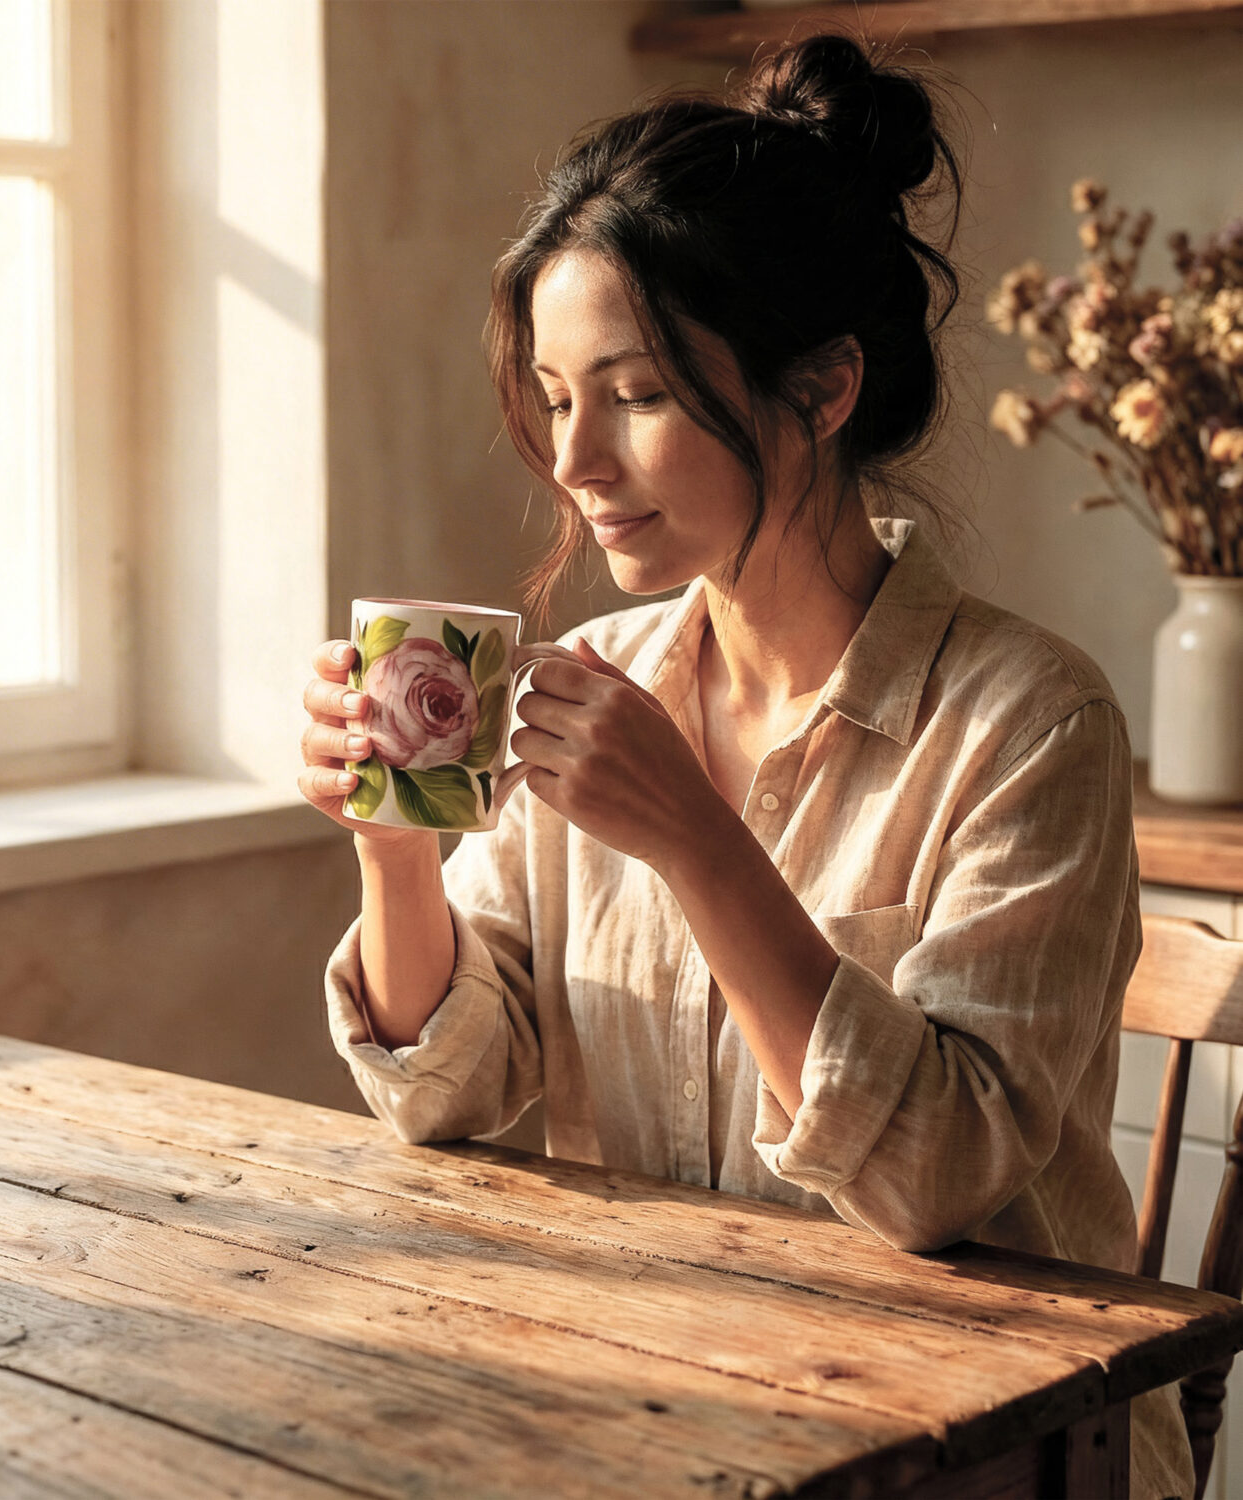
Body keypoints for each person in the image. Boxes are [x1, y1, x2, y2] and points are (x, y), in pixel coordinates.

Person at [298, 34, 1190, 1499]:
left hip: (1001, 1453)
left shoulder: (1032, 724)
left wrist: (699, 841)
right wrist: (394, 842)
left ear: (824, 386)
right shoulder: (598, 683)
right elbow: (446, 1091)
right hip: (676, 1413)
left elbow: (937, 1177)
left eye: (638, 394)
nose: (576, 460)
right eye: (556, 395)